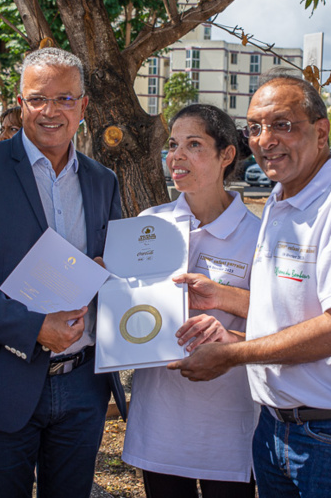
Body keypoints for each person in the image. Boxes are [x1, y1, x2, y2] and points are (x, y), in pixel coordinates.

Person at [169, 75, 331, 498]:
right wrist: (224, 298)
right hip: (273, 427)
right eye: (255, 127)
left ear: (321, 131)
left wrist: (232, 353)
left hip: (328, 434)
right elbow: (289, 310)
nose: (266, 139)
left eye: (282, 124)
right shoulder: (280, 196)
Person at [0, 47, 127, 498]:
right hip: (2, 375)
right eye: (38, 99)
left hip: (83, 382)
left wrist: (112, 273)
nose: (51, 111)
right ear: (20, 104)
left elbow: (118, 267)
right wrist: (33, 327)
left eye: (65, 99)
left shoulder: (103, 180)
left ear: (84, 106)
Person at [121, 104, 259, 498]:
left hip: (227, 421)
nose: (176, 157)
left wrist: (228, 314)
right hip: (161, 416)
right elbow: (130, 309)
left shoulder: (258, 235)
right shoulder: (150, 222)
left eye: (193, 144)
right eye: (173, 144)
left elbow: (283, 317)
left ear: (226, 155)